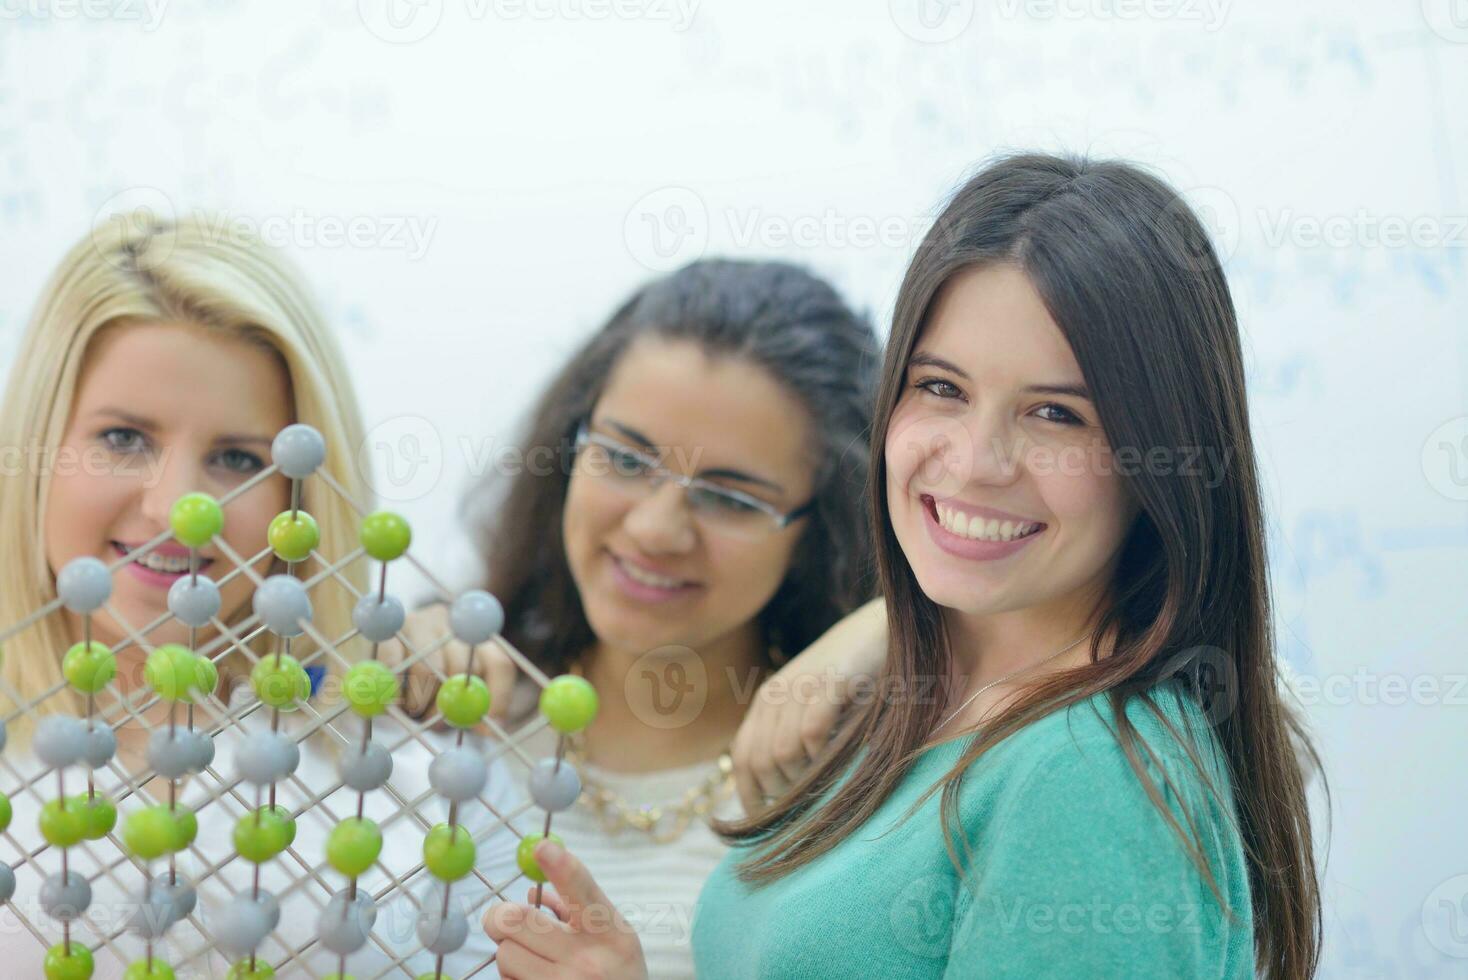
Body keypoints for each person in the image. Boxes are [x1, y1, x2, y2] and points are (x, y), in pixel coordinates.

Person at [481, 152, 1325, 979]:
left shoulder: (1089, 773)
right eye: (942, 389)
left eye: (1056, 414)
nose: (974, 462)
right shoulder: (915, 705)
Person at [0, 216, 518, 978]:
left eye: (237, 456)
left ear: (302, 495)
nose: (176, 508)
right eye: (122, 438)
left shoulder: (429, 777)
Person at [382, 258, 880, 978]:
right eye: (623, 457)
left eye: (732, 499)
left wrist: (898, 619)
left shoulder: (852, 794)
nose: (655, 529)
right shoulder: (454, 705)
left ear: (818, 531)